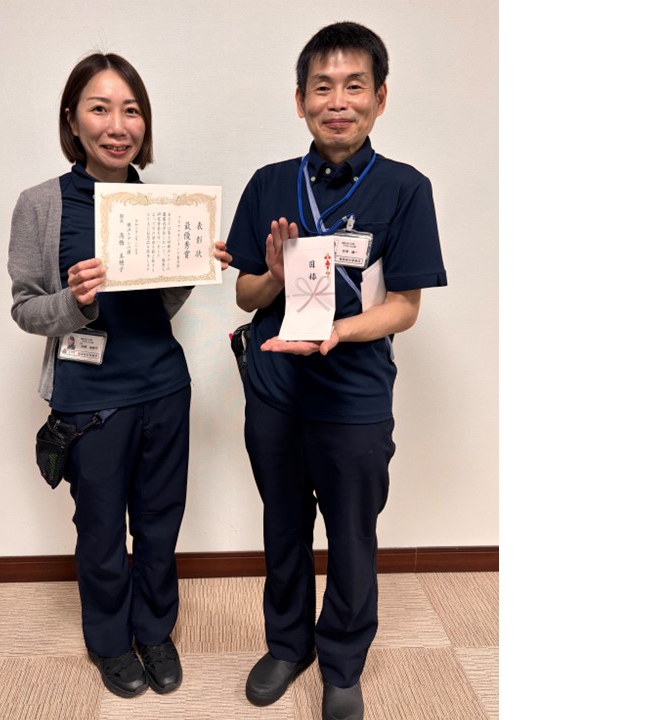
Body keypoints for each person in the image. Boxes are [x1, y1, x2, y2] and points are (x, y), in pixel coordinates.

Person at [226, 22, 446, 720]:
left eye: (355, 86)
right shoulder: (269, 183)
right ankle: (287, 644)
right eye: (323, 87)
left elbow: (405, 307)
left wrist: (340, 332)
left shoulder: (405, 189)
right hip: (275, 391)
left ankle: (343, 662)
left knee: (351, 535)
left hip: (354, 396)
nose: (338, 101)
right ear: (300, 101)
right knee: (283, 524)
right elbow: (246, 295)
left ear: (380, 98)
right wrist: (272, 272)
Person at [7, 52, 230, 699]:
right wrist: (76, 301)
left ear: (145, 123)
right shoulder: (41, 204)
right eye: (100, 108)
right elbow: (25, 309)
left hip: (164, 386)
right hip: (90, 401)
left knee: (160, 523)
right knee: (101, 530)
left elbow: (158, 308)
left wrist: (194, 265)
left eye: (131, 110)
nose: (117, 124)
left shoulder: (163, 204)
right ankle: (109, 640)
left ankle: (154, 631)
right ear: (72, 120)